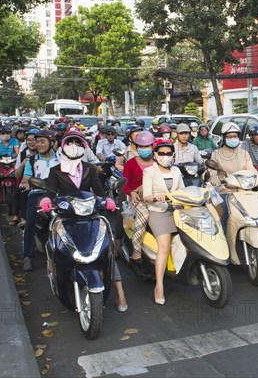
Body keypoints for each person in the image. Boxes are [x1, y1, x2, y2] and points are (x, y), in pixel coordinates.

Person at [40, 130, 127, 311]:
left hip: (89, 214)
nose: (74, 146)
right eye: (70, 142)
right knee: (52, 237)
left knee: (105, 248)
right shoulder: (55, 170)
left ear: (84, 146)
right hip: (66, 214)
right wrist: (47, 200)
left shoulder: (89, 168)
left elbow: (99, 190)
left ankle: (120, 292)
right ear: (63, 147)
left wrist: (108, 200)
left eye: (78, 143)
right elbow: (50, 191)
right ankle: (53, 268)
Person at [209, 122, 258, 267]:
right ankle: (221, 249)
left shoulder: (244, 153)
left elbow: (251, 169)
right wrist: (217, 181)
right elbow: (212, 174)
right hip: (226, 192)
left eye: (235, 136)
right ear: (224, 138)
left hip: (246, 191)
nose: (233, 138)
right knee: (224, 216)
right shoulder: (216, 154)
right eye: (230, 136)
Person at [142, 139, 185, 305]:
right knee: (164, 246)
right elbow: (146, 195)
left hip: (177, 211)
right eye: (162, 153)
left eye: (168, 153)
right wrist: (155, 197)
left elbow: (182, 190)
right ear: (155, 155)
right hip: (158, 211)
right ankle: (159, 285)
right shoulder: (149, 172)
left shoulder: (176, 171)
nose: (165, 156)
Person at [19, 130, 59, 272]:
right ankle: (27, 257)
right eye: (38, 142)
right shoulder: (32, 160)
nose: (39, 144)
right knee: (30, 223)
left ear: (52, 143)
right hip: (37, 195)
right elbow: (25, 178)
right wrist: (26, 183)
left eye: (43, 141)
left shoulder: (61, 158)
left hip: (56, 196)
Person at [122, 131, 155, 274]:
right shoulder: (130, 164)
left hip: (158, 198)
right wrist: (132, 193)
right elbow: (124, 184)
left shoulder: (158, 162)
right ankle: (136, 252)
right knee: (142, 218)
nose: (144, 149)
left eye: (147, 146)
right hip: (138, 201)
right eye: (141, 146)